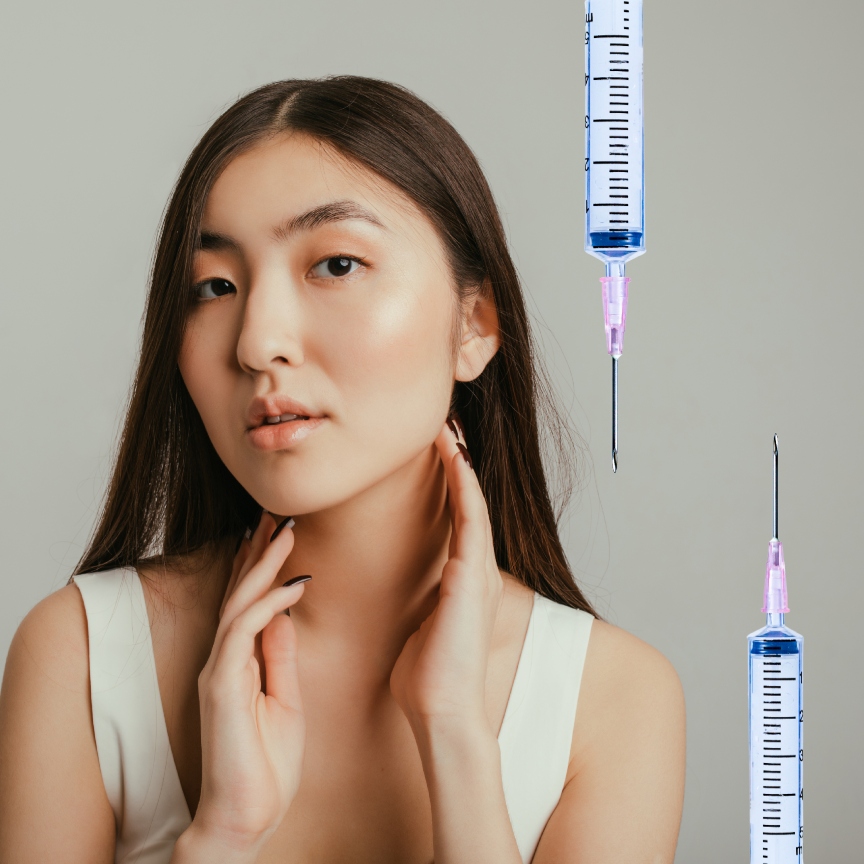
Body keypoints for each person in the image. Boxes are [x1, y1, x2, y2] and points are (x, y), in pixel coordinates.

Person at [0, 76, 685, 864]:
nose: (257, 342)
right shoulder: (81, 654)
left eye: (334, 266)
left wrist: (458, 741)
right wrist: (221, 838)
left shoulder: (614, 699)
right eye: (214, 287)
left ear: (475, 324)